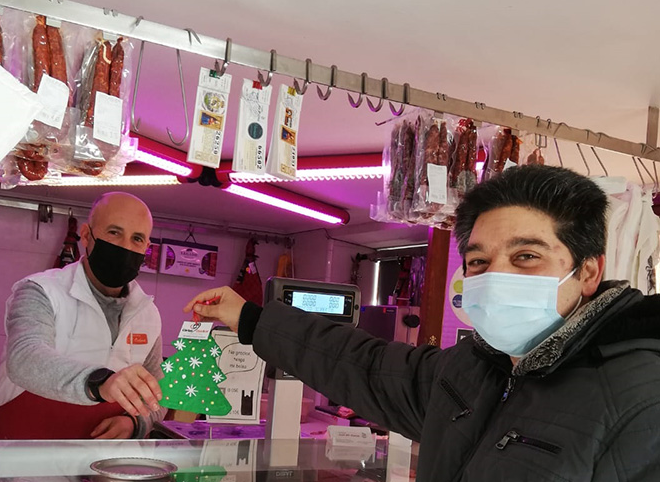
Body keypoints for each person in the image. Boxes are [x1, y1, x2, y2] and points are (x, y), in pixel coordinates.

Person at [185, 165, 660, 481]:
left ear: (589, 271)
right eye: (479, 261)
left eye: (526, 257)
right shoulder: (468, 371)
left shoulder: (642, 399)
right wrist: (249, 317)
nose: (496, 277)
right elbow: (359, 364)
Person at [0, 192, 166, 440]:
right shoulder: (41, 290)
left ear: (146, 247)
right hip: (24, 451)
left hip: (102, 458)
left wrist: (135, 423)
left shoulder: (147, 313)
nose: (125, 246)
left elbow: (159, 390)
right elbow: (25, 358)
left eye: (137, 238)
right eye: (114, 232)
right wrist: (100, 382)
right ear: (86, 235)